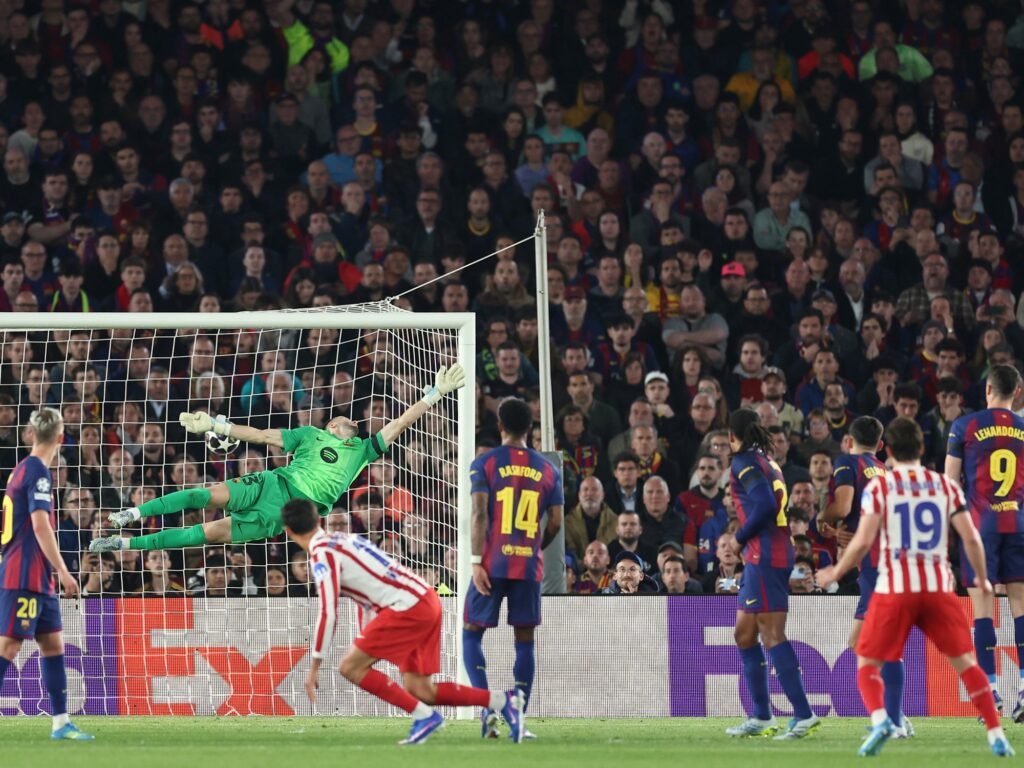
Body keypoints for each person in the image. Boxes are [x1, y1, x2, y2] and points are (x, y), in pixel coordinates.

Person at [90, 364, 466, 552]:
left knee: (206, 534)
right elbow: (262, 435)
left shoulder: (364, 451)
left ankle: (123, 544)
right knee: (202, 496)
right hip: (271, 483)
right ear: (332, 425)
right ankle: (131, 514)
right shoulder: (310, 434)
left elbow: (399, 423)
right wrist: (217, 425)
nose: (352, 420)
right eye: (344, 418)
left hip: (285, 514)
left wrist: (435, 393)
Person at [817, 418, 1012, 758]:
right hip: (937, 586)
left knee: (866, 660)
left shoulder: (880, 487)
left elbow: (862, 542)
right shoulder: (945, 486)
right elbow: (970, 538)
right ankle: (996, 733)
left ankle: (882, 719)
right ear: (922, 448)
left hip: (895, 586)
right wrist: (982, 578)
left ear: (889, 450)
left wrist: (835, 571)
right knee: (967, 664)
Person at [282, 498, 523, 746]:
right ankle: (503, 701)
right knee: (421, 690)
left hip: (406, 607)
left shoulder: (322, 554)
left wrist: (314, 665)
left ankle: (425, 716)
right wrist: (368, 634)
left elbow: (328, 611)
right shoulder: (345, 539)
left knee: (350, 667)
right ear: (318, 520)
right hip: (425, 599)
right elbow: (365, 590)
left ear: (288, 531)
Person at [464, 398, 563, 739]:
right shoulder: (548, 469)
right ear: (530, 429)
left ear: (500, 426)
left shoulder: (485, 463)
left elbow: (480, 513)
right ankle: (518, 716)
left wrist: (476, 561)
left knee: (471, 632)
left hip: (491, 563)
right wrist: (534, 548)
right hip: (528, 566)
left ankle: (487, 709)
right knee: (524, 640)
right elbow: (556, 522)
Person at [723, 408, 819, 740]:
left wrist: (738, 538)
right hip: (766, 553)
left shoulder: (744, 462)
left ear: (732, 435)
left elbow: (764, 505)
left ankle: (804, 714)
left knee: (772, 634)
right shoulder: (767, 461)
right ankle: (762, 716)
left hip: (765, 554)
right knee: (744, 634)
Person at [0, 407, 93, 740]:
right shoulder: (38, 471)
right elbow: (40, 526)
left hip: (38, 577)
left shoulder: (22, 468)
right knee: (8, 647)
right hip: (24, 573)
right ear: (61, 438)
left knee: (53, 645)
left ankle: (60, 722)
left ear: (30, 434)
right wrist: (64, 571)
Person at [818, 416, 911, 734]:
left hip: (876, 564)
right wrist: (846, 535)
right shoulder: (885, 471)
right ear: (880, 445)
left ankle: (895, 719)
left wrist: (822, 517)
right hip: (889, 559)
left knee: (873, 645)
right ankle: (897, 715)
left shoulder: (848, 462)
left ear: (848, 441)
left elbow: (843, 507)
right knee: (863, 643)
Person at [945, 364, 1024, 719]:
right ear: (1017, 391)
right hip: (1018, 524)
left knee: (983, 611)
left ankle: (990, 693)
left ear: (987, 389)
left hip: (979, 528)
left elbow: (950, 483)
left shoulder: (965, 426)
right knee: (1021, 607)